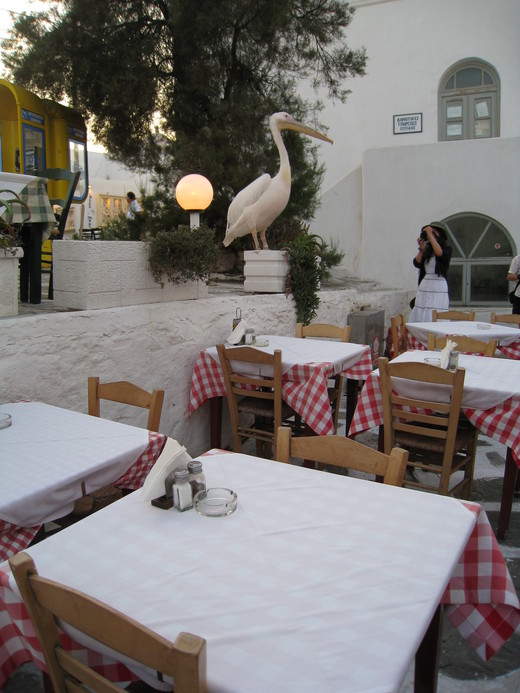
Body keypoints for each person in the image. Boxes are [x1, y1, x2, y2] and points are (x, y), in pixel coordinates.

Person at [408, 222, 452, 322]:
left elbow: (439, 253)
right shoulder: (427, 250)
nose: (430, 235)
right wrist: (421, 250)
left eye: (433, 232)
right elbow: (417, 263)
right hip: (426, 284)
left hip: (438, 285)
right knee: (422, 308)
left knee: (436, 309)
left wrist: (430, 234)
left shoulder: (447, 250)